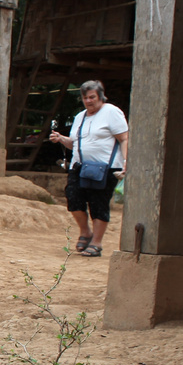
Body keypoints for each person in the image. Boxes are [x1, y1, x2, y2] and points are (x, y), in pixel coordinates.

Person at [47, 80, 129, 257]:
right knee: (73, 198)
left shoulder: (112, 112)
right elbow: (74, 144)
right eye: (85, 98)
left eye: (92, 97)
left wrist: (126, 161)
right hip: (80, 166)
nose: (89, 101)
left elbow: (124, 138)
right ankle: (85, 232)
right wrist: (61, 138)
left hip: (106, 167)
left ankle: (97, 242)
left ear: (100, 96)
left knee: (99, 203)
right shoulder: (80, 117)